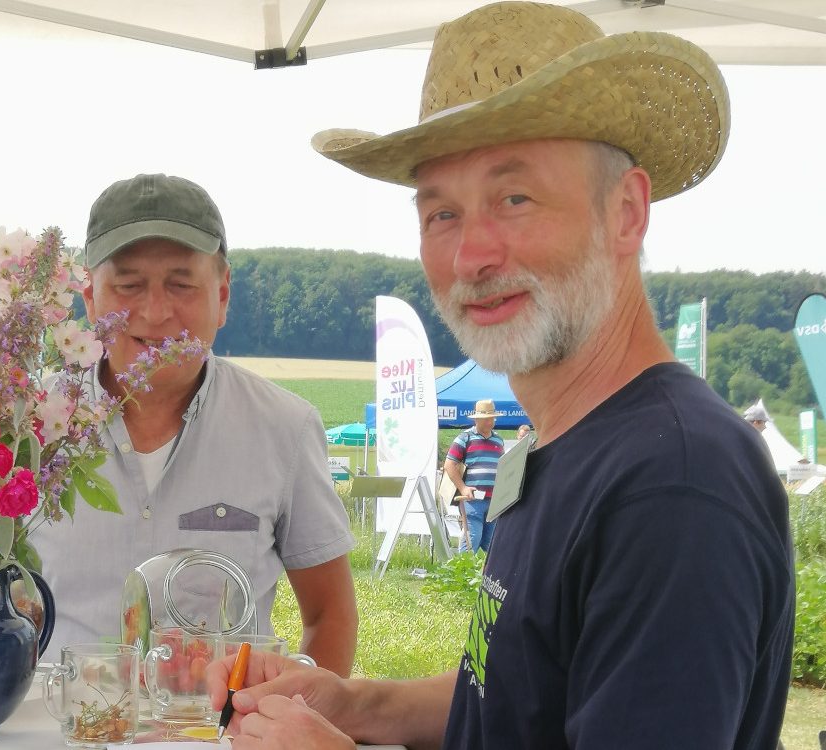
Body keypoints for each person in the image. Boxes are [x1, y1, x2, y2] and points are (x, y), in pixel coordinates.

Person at [207, 3, 795, 748]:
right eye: (441, 214)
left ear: (625, 211)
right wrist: (354, 705)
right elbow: (515, 690)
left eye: (514, 199)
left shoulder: (673, 484)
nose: (471, 256)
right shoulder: (560, 446)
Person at [37, 173, 358, 676]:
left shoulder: (285, 428)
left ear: (222, 295)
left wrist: (300, 711)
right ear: (91, 299)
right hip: (59, 718)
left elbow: (329, 613)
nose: (155, 312)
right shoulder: (24, 427)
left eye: (181, 284)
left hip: (223, 721)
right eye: (129, 285)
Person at [442, 399, 505, 552]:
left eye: (492, 418)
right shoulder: (465, 438)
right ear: (476, 419)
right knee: (472, 538)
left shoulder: (498, 440)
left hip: (494, 500)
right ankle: (464, 567)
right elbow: (449, 465)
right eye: (486, 419)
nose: (490, 422)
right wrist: (463, 488)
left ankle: (486, 569)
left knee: (492, 544)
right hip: (472, 499)